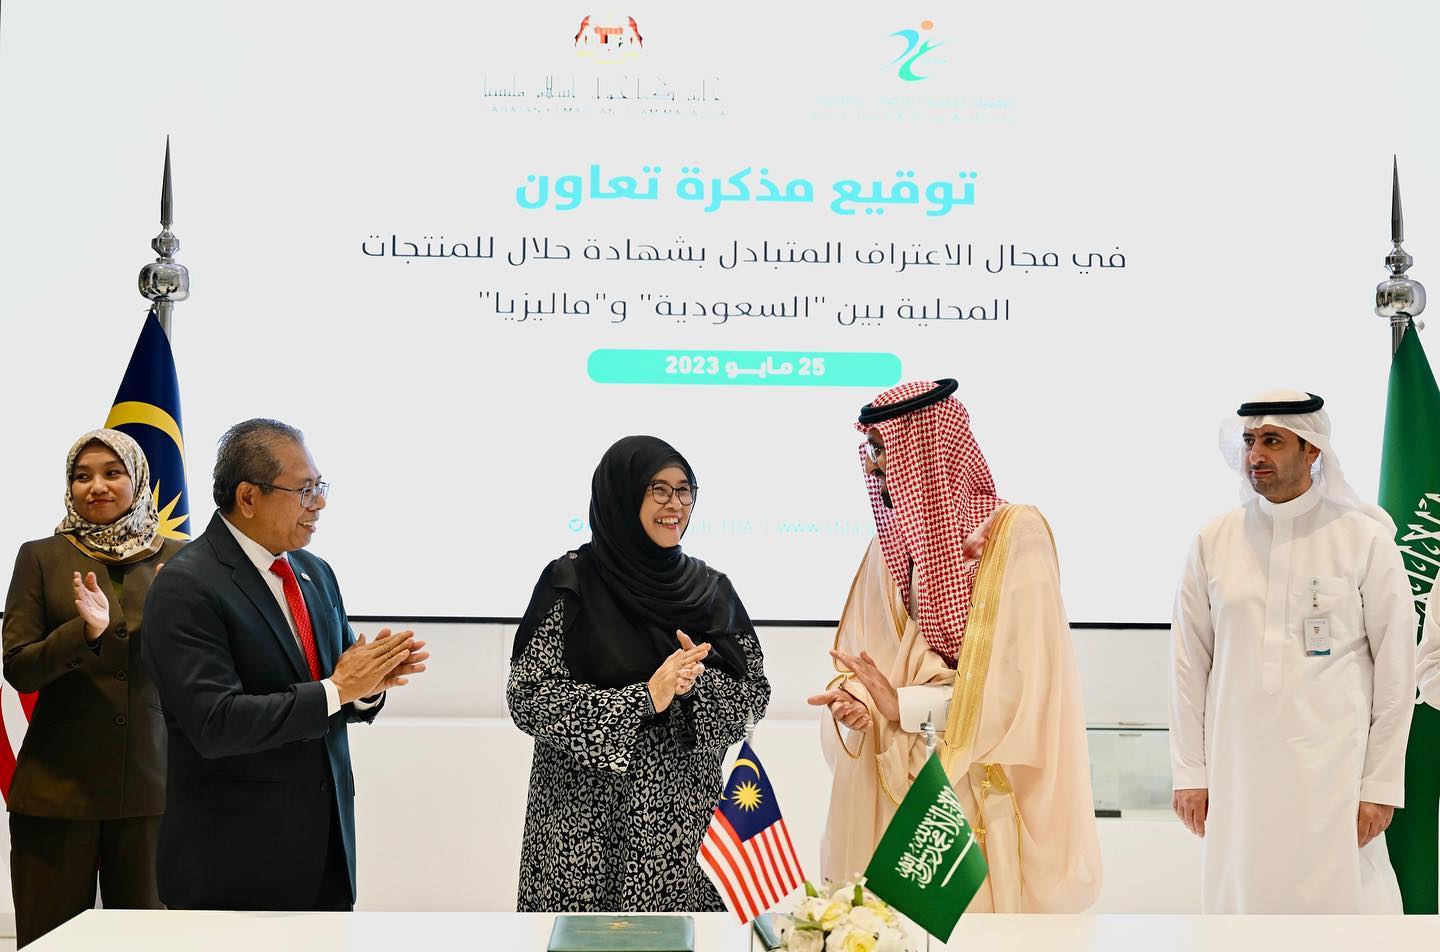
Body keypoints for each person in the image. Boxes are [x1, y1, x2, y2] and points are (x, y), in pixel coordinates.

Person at [808, 380, 1101, 912]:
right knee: (888, 932)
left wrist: (905, 705)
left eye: (882, 448)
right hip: (894, 783)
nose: (872, 465)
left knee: (961, 933)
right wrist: (859, 701)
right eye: (868, 448)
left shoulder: (1014, 536)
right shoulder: (888, 548)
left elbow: (1021, 698)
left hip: (975, 790)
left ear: (926, 447)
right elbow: (867, 660)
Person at [143, 419, 427, 910]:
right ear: (248, 497)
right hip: (234, 866)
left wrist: (367, 688)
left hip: (326, 853)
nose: (319, 504)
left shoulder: (315, 572)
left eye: (320, 487)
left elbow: (336, 687)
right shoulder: (187, 584)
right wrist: (338, 689)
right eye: (305, 490)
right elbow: (215, 723)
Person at [1170, 389, 1416, 913]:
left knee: (1342, 913)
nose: (1255, 454)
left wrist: (1379, 784)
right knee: (1243, 905)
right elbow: (1188, 667)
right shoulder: (1214, 541)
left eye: (1273, 441)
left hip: (1333, 773)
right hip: (1238, 772)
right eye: (1249, 441)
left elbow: (1397, 673)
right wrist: (1190, 773)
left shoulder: (1365, 540)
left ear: (1312, 449)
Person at [508, 435, 770, 911]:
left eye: (684, 490)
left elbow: (754, 696)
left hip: (681, 829)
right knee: (580, 940)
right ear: (622, 495)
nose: (675, 504)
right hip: (580, 830)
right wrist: (643, 697)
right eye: (659, 489)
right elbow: (528, 696)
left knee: (679, 937)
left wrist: (694, 685)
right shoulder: (570, 582)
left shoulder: (712, 591)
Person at [2, 429, 182, 946]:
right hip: (58, 791)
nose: (96, 486)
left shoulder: (181, 558)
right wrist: (82, 634)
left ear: (139, 480)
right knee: (50, 941)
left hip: (153, 787)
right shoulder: (40, 556)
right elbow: (19, 668)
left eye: (112, 473)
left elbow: (198, 672)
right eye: (82, 476)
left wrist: (170, 622)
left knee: (149, 942)